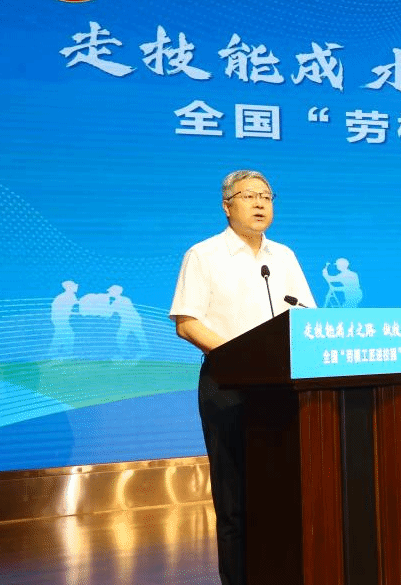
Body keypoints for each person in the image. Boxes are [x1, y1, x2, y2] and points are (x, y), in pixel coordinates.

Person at [169, 170, 315, 585]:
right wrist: (240, 358)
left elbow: (307, 316)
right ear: (226, 205)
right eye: (249, 195)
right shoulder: (204, 254)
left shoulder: (283, 256)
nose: (259, 203)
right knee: (235, 497)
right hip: (229, 385)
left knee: (282, 492)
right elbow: (187, 322)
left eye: (266, 196)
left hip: (283, 387)